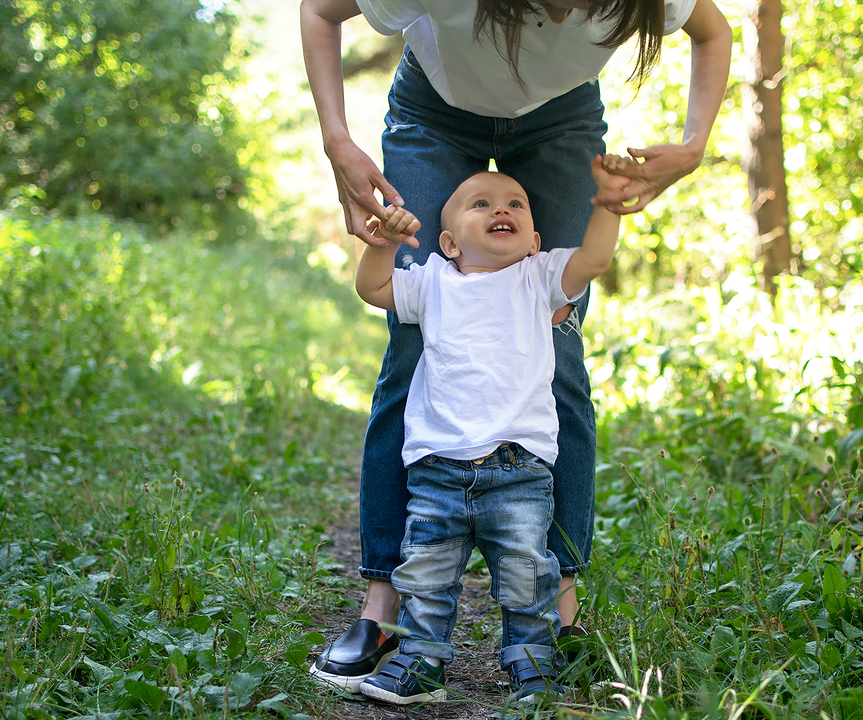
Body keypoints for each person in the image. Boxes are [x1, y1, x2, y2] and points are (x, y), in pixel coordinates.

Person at [300, 0, 732, 691]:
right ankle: (383, 606)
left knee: (556, 343)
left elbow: (713, 31)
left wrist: (694, 142)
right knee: (413, 344)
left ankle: (558, 610)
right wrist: (336, 139)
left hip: (563, 121)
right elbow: (321, 10)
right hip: (434, 112)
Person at [351, 163, 623, 704]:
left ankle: (533, 671)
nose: (501, 209)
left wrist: (608, 206)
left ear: (535, 240)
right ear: (449, 242)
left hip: (518, 470)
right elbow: (372, 286)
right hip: (437, 467)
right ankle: (419, 665)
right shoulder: (431, 281)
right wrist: (384, 242)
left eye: (515, 203)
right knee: (426, 576)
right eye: (482, 203)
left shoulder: (540, 278)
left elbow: (595, 258)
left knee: (527, 577)